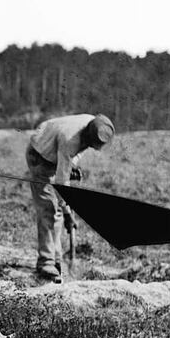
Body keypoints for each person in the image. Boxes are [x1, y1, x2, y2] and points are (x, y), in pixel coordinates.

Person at [26, 114, 115, 281]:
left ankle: (56, 259)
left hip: (55, 153)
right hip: (39, 156)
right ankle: (46, 262)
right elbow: (62, 183)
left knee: (57, 212)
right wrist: (68, 212)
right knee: (48, 209)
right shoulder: (70, 139)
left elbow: (73, 155)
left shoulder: (95, 124)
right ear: (88, 136)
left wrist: (70, 167)